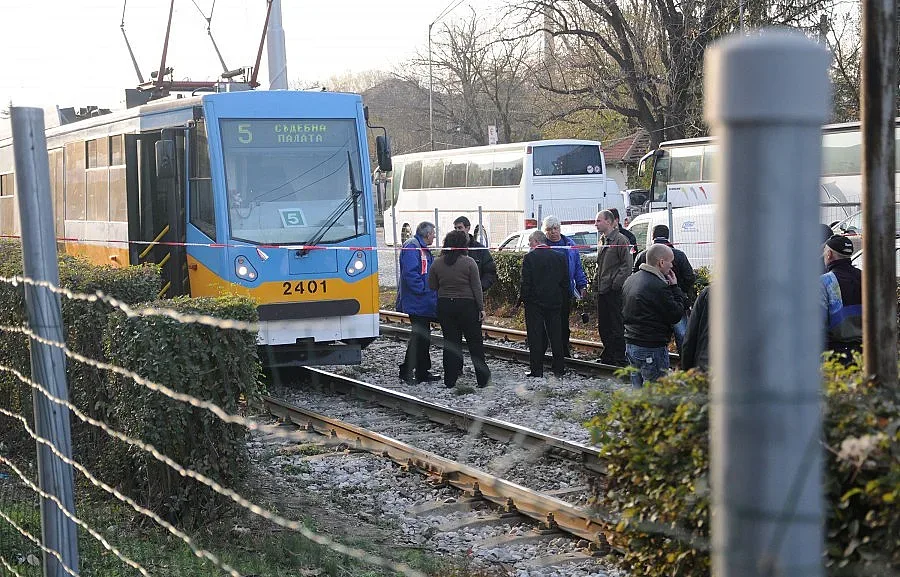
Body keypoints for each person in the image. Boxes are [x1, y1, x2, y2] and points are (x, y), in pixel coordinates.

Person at [428, 230, 491, 388]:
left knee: (450, 343)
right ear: (463, 245)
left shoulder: (437, 263)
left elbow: (432, 285)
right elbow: (476, 287)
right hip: (467, 306)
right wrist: (481, 308)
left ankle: (450, 380)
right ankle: (482, 380)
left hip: (445, 306)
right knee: (475, 343)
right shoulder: (469, 262)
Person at [622, 243, 687, 388]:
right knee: (655, 395)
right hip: (651, 347)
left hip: (631, 344)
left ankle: (637, 412)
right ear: (661, 262)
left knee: (637, 392)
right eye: (671, 261)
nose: (672, 266)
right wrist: (675, 288)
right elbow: (675, 314)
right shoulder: (658, 286)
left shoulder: (631, 280)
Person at [632, 224, 696, 352]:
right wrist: (677, 288)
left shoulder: (642, 255)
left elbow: (635, 275)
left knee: (654, 339)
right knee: (682, 335)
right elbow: (690, 277)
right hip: (677, 299)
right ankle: (685, 365)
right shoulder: (679, 255)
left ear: (652, 237)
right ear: (668, 236)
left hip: (650, 304)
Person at [518, 230, 569, 378]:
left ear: (535, 241)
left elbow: (525, 283)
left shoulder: (529, 258)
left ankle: (536, 369)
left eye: (530, 242)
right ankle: (559, 368)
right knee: (556, 335)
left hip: (535, 304)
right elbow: (564, 282)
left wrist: (524, 299)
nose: (529, 245)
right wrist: (563, 299)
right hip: (554, 302)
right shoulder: (560, 257)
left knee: (535, 336)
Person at [396, 221, 441, 385]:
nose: (434, 236)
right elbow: (411, 274)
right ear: (427, 234)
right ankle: (408, 370)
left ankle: (421, 370)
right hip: (417, 301)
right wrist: (423, 290)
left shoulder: (418, 246)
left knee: (423, 337)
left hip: (421, 301)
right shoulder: (413, 247)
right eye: (433, 233)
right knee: (419, 337)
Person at [542, 215, 588, 357]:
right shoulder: (543, 245)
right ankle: (550, 348)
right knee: (548, 322)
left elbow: (578, 267)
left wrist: (582, 284)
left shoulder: (569, 244)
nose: (553, 232)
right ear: (546, 232)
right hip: (548, 291)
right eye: (550, 229)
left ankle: (563, 348)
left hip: (565, 289)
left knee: (563, 321)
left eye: (556, 228)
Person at [595, 210, 633, 366]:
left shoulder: (620, 240)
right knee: (604, 324)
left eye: (598, 221)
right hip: (602, 289)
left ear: (609, 222)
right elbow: (600, 265)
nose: (596, 224)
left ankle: (619, 355)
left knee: (616, 324)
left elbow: (627, 265)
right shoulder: (602, 240)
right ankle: (609, 353)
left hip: (613, 290)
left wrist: (616, 283)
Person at [821, 235, 862, 361]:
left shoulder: (824, 282)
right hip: (868, 353)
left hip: (837, 356)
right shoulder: (867, 278)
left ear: (829, 254)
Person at [453, 216, 497, 294]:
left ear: (468, 228)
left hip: (474, 296)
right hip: (454, 295)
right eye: (455, 228)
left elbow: (490, 272)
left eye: (460, 228)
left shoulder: (480, 249)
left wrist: (480, 287)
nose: (457, 231)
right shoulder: (451, 249)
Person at [681, 286, 710, 372]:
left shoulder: (708, 292)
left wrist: (687, 369)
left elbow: (690, 336)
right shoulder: (751, 297)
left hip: (704, 366)